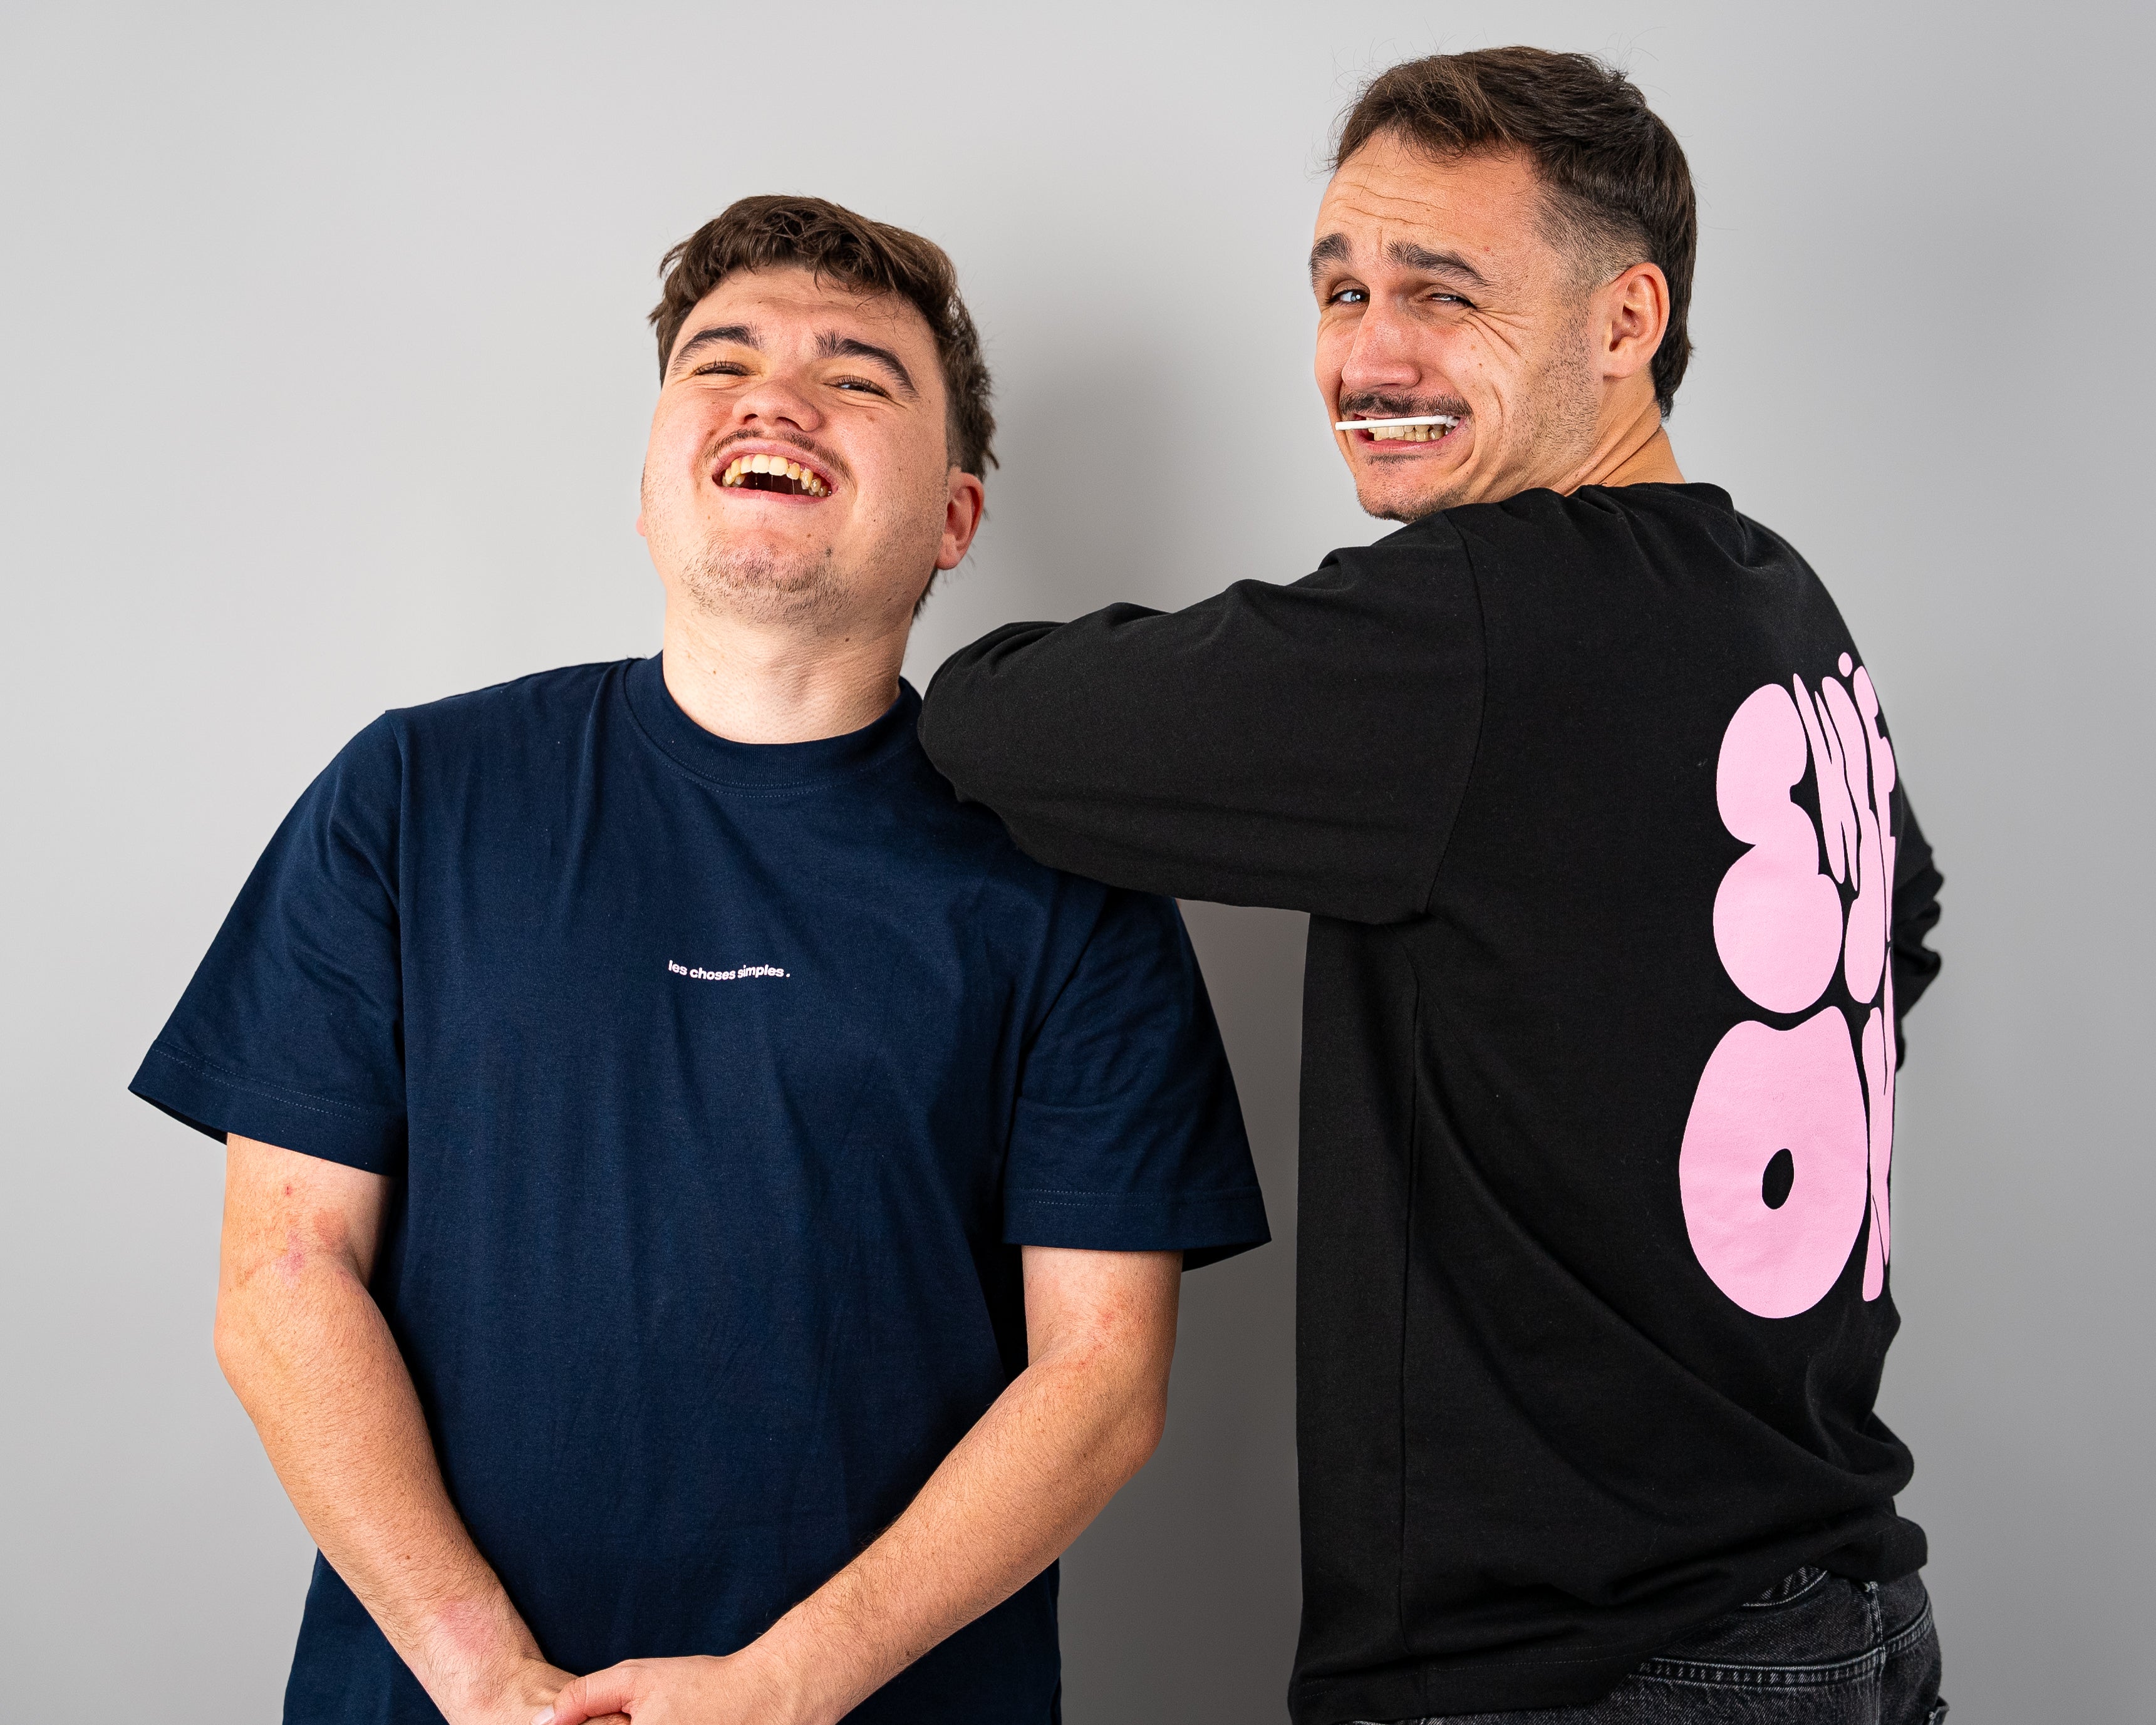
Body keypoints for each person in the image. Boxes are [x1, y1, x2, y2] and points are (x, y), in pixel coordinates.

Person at [130, 194, 1268, 1725]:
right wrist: (485, 1676)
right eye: (718, 363)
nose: (774, 399)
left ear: (953, 519)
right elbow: (282, 1279)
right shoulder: (411, 797)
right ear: (649, 485)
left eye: (857, 376)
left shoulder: (1067, 876)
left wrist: (787, 1687)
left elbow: (1099, 1381)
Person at [919, 48, 1946, 1725]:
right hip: (1840, 1617)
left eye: (1441, 293)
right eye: (1340, 289)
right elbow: (1895, 924)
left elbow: (998, 726)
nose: (1367, 355)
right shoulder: (1767, 595)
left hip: (1584, 1667)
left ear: (1623, 322)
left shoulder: (1481, 615)